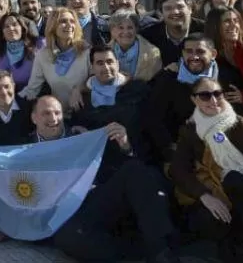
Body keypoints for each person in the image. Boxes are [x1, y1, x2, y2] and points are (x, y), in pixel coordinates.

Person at [47, 95, 182, 263]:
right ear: (33, 117)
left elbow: (122, 165)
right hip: (69, 211)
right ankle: (138, 252)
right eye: (46, 113)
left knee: (136, 169)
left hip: (97, 197)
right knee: (67, 238)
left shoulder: (78, 134)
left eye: (57, 113)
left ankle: (160, 251)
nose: (53, 118)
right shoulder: (23, 152)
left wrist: (124, 145)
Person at [170, 76, 243, 263]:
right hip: (214, 195)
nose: (213, 100)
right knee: (210, 217)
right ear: (194, 100)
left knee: (236, 179)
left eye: (217, 94)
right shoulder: (190, 131)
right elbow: (178, 170)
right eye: (204, 96)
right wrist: (204, 195)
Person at [144, 34, 219, 164]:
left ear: (213, 54)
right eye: (189, 52)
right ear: (182, 54)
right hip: (180, 152)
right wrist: (172, 151)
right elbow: (154, 119)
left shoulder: (225, 78)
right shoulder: (168, 80)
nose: (194, 57)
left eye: (200, 52)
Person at [20, 8, 89, 109]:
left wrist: (79, 89)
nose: (69, 25)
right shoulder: (42, 55)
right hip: (58, 116)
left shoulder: (86, 51)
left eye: (72, 21)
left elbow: (97, 80)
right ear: (53, 26)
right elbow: (32, 89)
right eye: (63, 21)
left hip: (85, 112)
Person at [142, 0, 204, 65]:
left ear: (190, 8)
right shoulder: (148, 36)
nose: (175, 12)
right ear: (161, 13)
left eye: (180, 7)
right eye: (168, 8)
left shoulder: (206, 30)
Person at [105, 10, 163, 82]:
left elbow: (156, 82)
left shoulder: (153, 53)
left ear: (136, 29)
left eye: (130, 27)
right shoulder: (103, 52)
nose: (126, 32)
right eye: (121, 28)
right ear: (112, 30)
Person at [0, 15, 35, 93]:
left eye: (15, 24)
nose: (11, 29)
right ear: (2, 33)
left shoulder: (38, 46)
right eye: (6, 26)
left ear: (22, 28)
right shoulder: (0, 54)